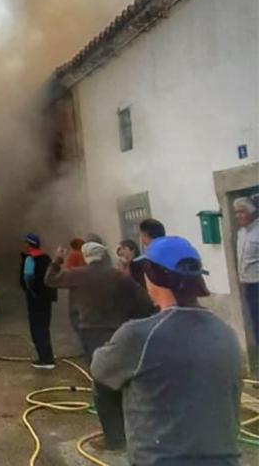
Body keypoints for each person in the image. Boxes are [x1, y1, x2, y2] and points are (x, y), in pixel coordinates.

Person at [92, 236, 241, 466]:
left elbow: (100, 370)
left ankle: (113, 440)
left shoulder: (138, 336)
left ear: (153, 277)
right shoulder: (227, 335)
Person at [46, 241, 154, 451]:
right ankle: (130, 433)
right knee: (123, 382)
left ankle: (113, 440)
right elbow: (145, 303)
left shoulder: (78, 274)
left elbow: (49, 279)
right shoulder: (119, 276)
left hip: (92, 334)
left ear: (87, 257)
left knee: (101, 385)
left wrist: (58, 258)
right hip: (119, 334)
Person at [20, 233, 56, 369]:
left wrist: (31, 291)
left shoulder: (30, 259)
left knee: (37, 328)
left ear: (29, 245)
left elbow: (27, 277)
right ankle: (48, 356)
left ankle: (45, 360)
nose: (23, 245)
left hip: (35, 299)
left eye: (25, 243)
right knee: (44, 327)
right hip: (46, 299)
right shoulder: (46, 258)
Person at [234, 196, 259, 347]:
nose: (238, 216)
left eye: (242, 211)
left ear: (251, 212)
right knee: (256, 321)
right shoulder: (240, 233)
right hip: (248, 286)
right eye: (236, 212)